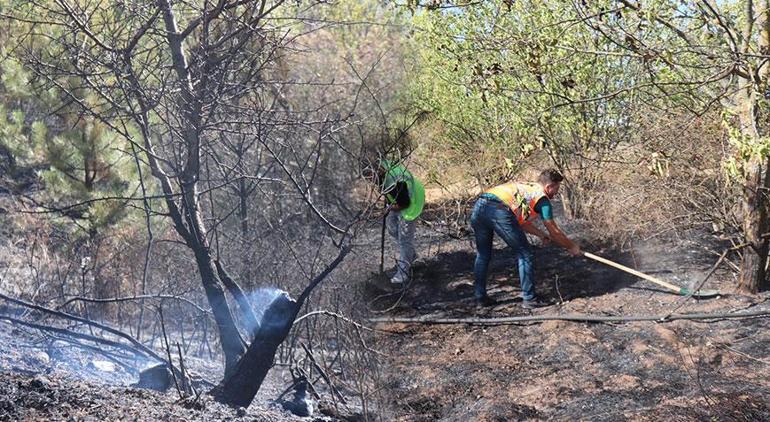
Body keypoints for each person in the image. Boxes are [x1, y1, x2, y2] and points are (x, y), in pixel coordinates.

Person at [470, 169, 581, 308]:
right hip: (498, 210)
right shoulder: (542, 199)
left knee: (483, 255)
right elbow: (555, 231)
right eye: (556, 188)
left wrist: (541, 235)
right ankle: (529, 299)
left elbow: (521, 223)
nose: (556, 192)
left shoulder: (527, 188)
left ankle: (480, 298)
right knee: (525, 253)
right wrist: (571, 246)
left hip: (480, 206)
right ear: (549, 187)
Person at [378, 159, 425, 284]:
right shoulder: (380, 168)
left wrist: (389, 208)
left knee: (405, 239)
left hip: (412, 201)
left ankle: (403, 273)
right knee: (392, 228)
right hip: (400, 199)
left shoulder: (394, 180)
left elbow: (404, 203)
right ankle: (411, 256)